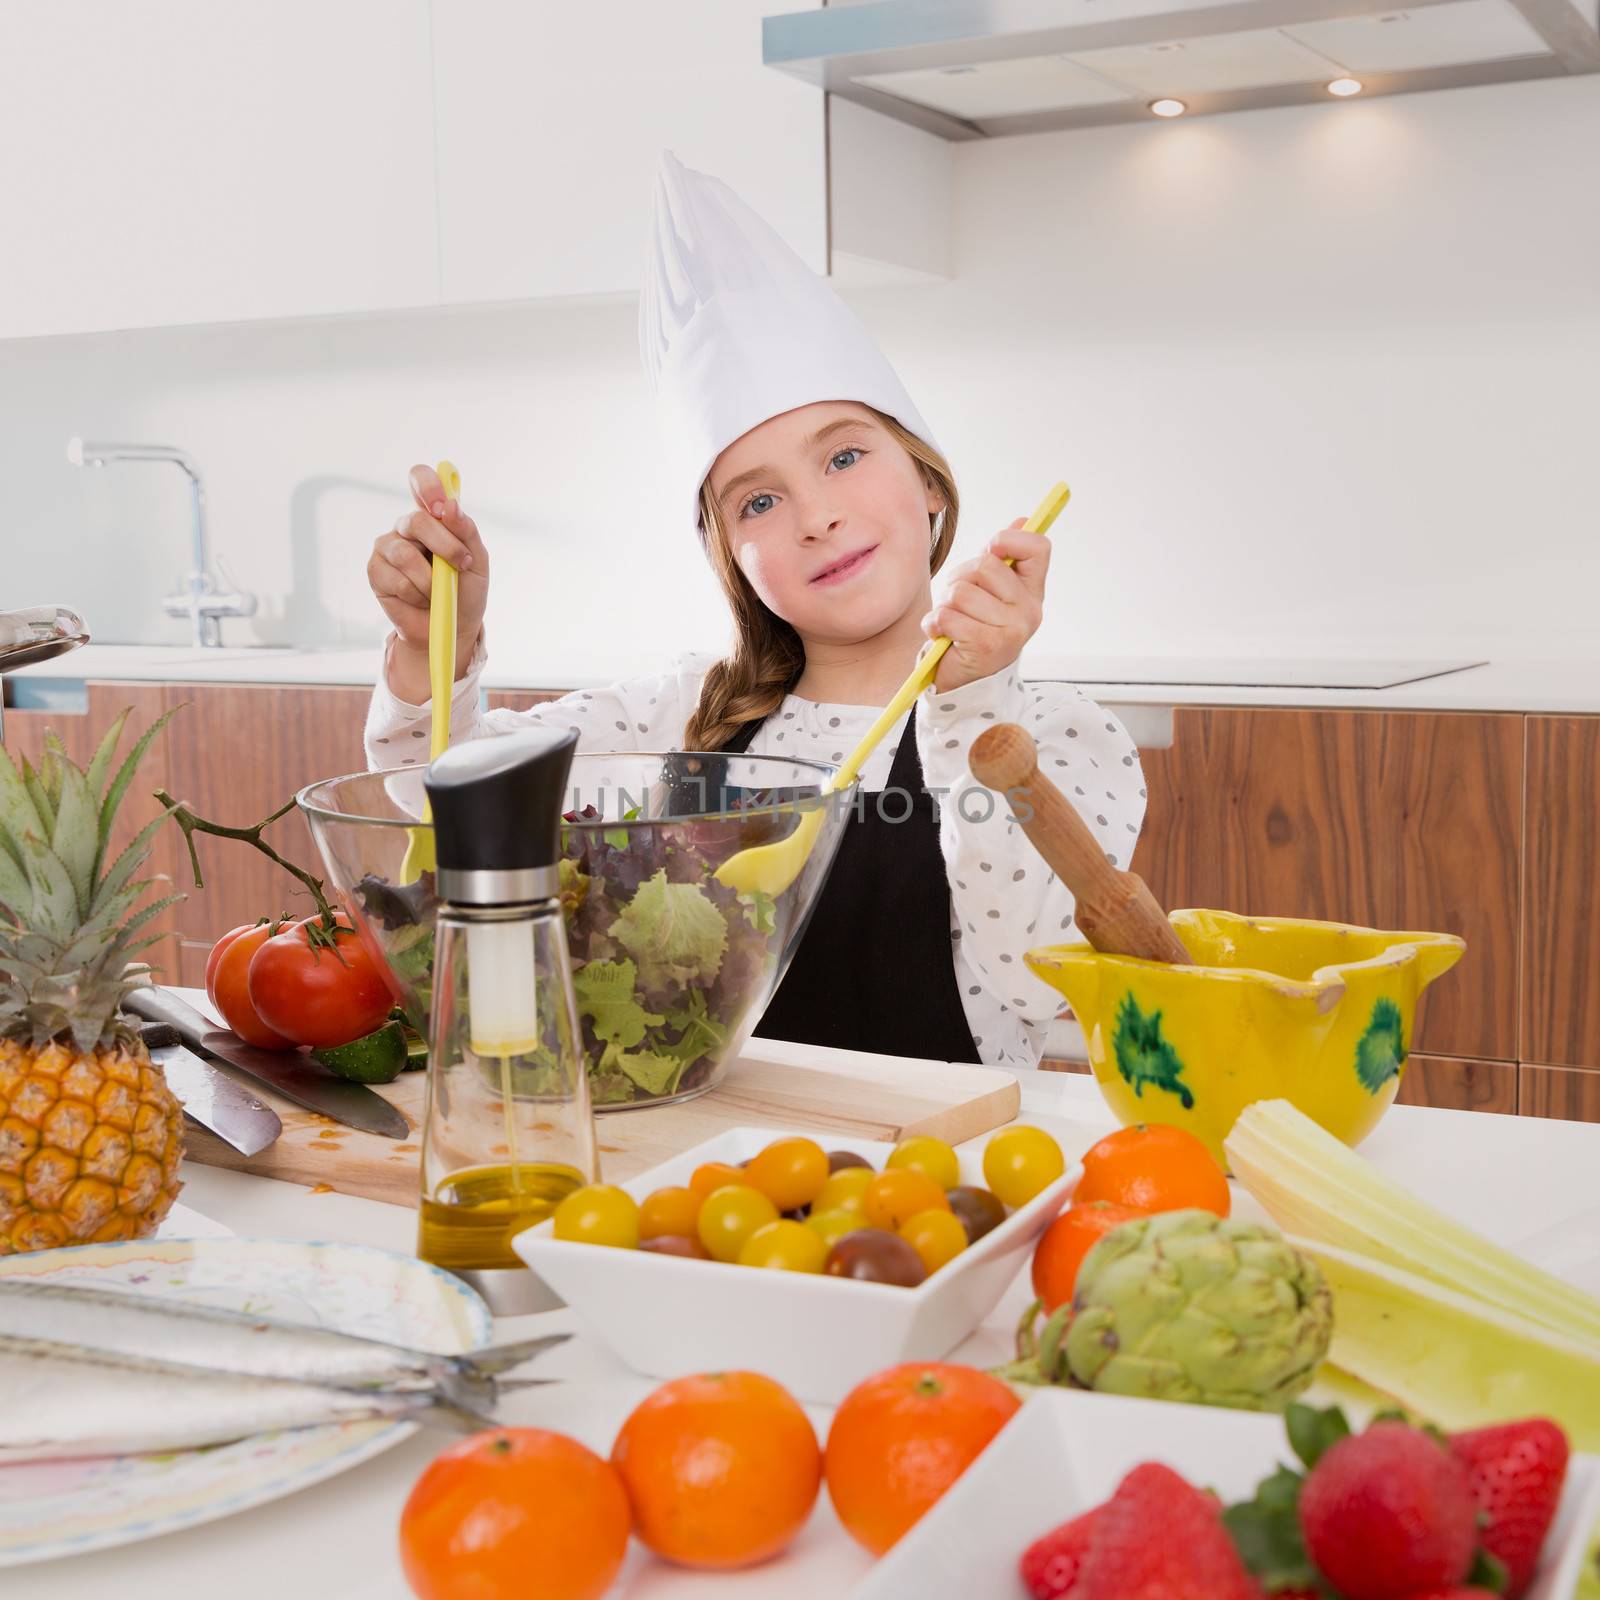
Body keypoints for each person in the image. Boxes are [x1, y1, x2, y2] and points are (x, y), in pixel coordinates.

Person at [363, 154, 1145, 1070]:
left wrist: (973, 703)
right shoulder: (681, 717)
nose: (816, 515)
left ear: (928, 482)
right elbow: (439, 789)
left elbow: (1038, 980)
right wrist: (435, 645)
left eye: (845, 457)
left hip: (936, 1172)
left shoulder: (1048, 732)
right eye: (758, 503)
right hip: (702, 1166)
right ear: (731, 555)